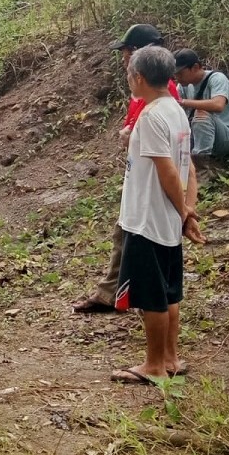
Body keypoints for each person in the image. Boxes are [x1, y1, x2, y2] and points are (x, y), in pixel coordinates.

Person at [110, 46, 205, 384]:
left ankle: (153, 366)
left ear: (138, 77)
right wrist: (187, 212)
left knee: (152, 296)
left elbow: (167, 171)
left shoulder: (150, 116)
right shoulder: (176, 110)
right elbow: (188, 167)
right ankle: (170, 358)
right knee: (169, 292)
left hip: (147, 219)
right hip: (167, 219)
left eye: (128, 74)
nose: (128, 79)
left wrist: (183, 210)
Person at [73, 24, 180, 314]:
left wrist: (185, 209)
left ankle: (125, 296)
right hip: (142, 177)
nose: (123, 59)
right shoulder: (151, 91)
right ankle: (116, 292)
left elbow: (165, 152)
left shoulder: (161, 94)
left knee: (133, 239)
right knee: (125, 235)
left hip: (150, 183)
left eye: (127, 52)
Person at [173, 48, 229, 168]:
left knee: (201, 114)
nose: (177, 77)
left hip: (228, 137)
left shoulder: (217, 79)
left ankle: (201, 167)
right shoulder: (183, 87)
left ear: (195, 67)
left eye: (180, 73)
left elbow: (218, 105)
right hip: (198, 136)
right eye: (175, 74)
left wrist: (184, 102)